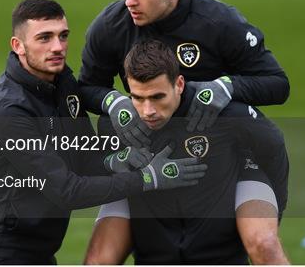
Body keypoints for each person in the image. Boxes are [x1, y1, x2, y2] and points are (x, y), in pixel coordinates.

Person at [78, 0, 289, 263]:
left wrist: (227, 86)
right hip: (148, 159)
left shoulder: (219, 24)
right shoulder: (112, 26)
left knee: (263, 244)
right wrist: (113, 102)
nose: (129, 0)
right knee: (98, 259)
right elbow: (88, 87)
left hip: (225, 158)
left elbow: (277, 85)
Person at [0, 0, 207, 264]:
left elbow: (83, 156)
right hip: (1, 255)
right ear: (18, 45)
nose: (58, 47)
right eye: (44, 38)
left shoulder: (62, 83)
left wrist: (117, 160)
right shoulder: (8, 113)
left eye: (63, 35)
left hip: (41, 254)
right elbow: (67, 191)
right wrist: (148, 179)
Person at [84, 40, 290, 264]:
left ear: (179, 84)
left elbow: (273, 148)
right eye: (138, 98)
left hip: (214, 216)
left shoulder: (224, 114)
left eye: (157, 97)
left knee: (266, 245)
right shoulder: (117, 122)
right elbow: (90, 169)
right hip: (149, 210)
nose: (148, 111)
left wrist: (275, 211)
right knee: (98, 260)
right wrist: (118, 160)